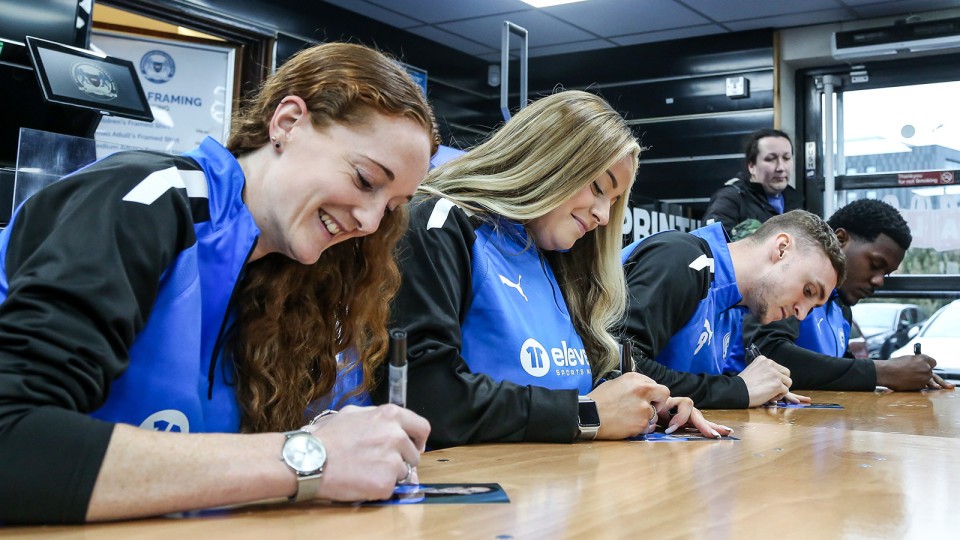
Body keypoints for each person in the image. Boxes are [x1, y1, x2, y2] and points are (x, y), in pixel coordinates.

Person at [0, 42, 437, 524]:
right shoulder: (144, 200)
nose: (371, 222)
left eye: (393, 206)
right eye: (364, 179)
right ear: (287, 123)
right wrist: (306, 457)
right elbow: (13, 442)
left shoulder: (297, 279)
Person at [372, 90, 732, 448]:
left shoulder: (557, 256)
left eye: (613, 201)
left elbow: (584, 385)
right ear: (549, 162)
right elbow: (425, 398)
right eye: (597, 187)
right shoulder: (443, 225)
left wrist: (645, 406)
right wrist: (587, 414)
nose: (603, 216)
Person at [621, 210, 846, 407]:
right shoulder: (684, 258)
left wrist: (760, 388)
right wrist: (739, 389)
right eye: (808, 290)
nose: (802, 313)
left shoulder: (733, 308)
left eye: (814, 306)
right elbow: (620, 366)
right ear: (781, 248)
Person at [745, 199, 955, 391]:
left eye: (886, 274)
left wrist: (904, 373)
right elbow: (769, 354)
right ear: (840, 239)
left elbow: (839, 372)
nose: (879, 281)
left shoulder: (841, 308)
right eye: (874, 265)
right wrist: (883, 372)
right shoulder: (795, 285)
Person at [702, 129, 804, 239]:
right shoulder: (731, 198)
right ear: (751, 166)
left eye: (786, 158)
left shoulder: (795, 200)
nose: (781, 167)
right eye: (770, 159)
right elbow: (711, 241)